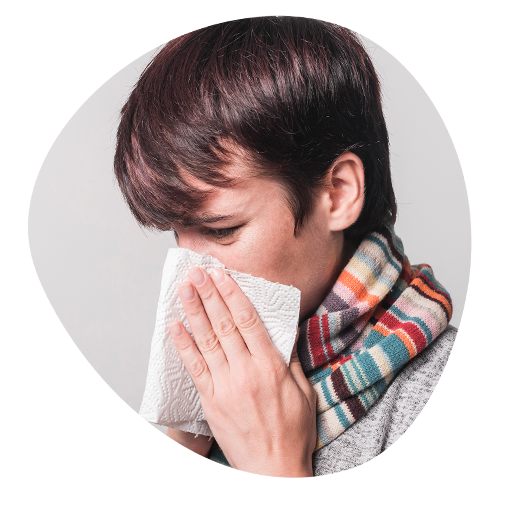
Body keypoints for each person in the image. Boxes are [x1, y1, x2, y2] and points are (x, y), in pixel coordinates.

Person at [114, 15, 457, 477]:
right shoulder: (208, 402)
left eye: (222, 230)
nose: (189, 278)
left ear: (338, 194)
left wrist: (275, 469)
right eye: (177, 234)